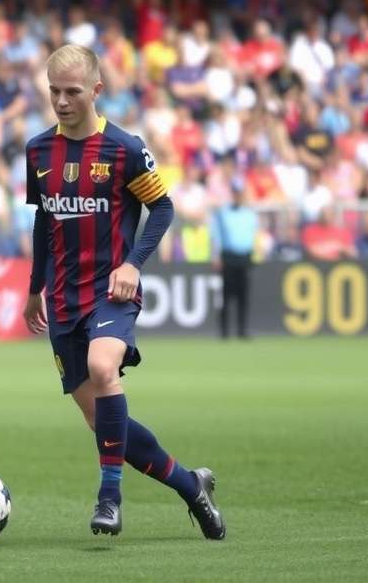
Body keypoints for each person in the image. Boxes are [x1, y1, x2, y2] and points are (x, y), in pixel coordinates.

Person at [22, 44, 225, 539]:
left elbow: (164, 209)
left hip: (111, 290)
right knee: (104, 424)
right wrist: (35, 289)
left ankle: (109, 498)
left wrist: (133, 263)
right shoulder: (37, 151)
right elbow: (44, 219)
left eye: (72, 91)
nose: (62, 101)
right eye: (54, 91)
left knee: (101, 366)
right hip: (64, 298)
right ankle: (190, 485)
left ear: (96, 90)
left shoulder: (126, 149)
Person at [213, 181, 258, 339]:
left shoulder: (250, 214)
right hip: (229, 257)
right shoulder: (223, 213)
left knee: (243, 297)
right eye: (236, 193)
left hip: (245, 257)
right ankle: (224, 332)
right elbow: (217, 235)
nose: (238, 196)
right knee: (226, 297)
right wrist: (216, 255)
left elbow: (253, 236)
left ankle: (242, 330)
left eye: (240, 193)